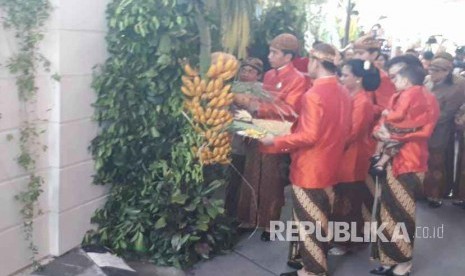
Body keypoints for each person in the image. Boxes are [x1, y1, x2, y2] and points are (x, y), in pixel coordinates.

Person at [261, 42, 352, 276]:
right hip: (331, 163)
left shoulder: (314, 94)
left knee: (309, 222)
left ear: (316, 62)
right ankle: (308, 268)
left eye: (310, 61)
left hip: (311, 167)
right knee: (319, 219)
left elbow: (310, 135)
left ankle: (313, 271)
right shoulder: (343, 90)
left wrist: (277, 140)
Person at [233, 33, 307, 241]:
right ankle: (249, 219)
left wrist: (258, 107)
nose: (269, 56)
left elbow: (290, 110)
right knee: (252, 175)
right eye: (270, 52)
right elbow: (259, 100)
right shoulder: (269, 76)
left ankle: (269, 224)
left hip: (277, 135)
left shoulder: (297, 79)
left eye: (274, 53)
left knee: (271, 182)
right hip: (258, 131)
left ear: (288, 56)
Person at [369, 61, 438, 276]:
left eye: (395, 76)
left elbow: (423, 132)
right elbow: (384, 119)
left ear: (407, 77)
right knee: (386, 210)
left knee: (401, 212)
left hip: (409, 162)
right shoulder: (398, 95)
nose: (392, 80)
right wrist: (380, 131)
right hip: (391, 158)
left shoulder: (424, 97)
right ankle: (390, 259)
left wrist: (393, 134)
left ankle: (404, 263)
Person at [330, 59, 379, 256]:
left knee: (349, 201)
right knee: (341, 198)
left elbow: (353, 133)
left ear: (358, 79)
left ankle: (348, 243)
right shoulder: (347, 96)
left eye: (345, 75)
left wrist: (327, 143)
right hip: (341, 155)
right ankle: (342, 238)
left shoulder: (363, 101)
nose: (341, 78)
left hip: (352, 157)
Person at [423, 52, 465, 208]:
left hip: (441, 129)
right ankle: (425, 191)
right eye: (431, 69)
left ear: (446, 71)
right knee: (427, 163)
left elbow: (447, 113)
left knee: (437, 163)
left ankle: (436, 195)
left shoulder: (458, 85)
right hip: (423, 129)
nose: (431, 73)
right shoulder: (427, 82)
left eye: (436, 70)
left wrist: (423, 121)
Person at [370, 65, 430, 173]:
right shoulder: (404, 94)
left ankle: (379, 160)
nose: (393, 82)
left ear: (405, 81)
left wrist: (387, 115)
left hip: (410, 153)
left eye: (396, 79)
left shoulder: (411, 95)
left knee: (392, 141)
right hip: (404, 132)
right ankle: (378, 158)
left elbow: (400, 114)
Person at [225, 57, 264, 218]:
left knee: (244, 179)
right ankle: (230, 212)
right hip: (230, 139)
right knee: (231, 179)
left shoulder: (260, 90)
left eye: (251, 71)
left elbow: (258, 111)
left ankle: (239, 214)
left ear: (259, 75)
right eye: (243, 70)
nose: (246, 74)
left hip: (249, 141)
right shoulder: (233, 87)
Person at [353, 35, 396, 118]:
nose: (356, 57)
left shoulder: (382, 77)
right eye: (355, 53)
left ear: (374, 55)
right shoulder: (354, 73)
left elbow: (385, 107)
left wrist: (362, 105)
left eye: (360, 53)